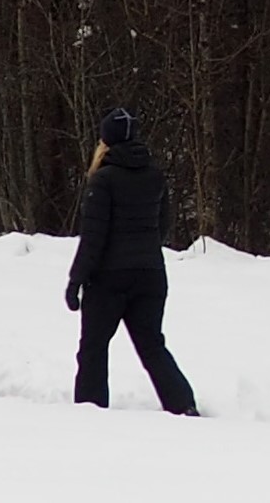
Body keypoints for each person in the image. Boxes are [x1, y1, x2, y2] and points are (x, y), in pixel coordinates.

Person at [65, 108, 198, 416]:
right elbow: (162, 225)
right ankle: (183, 404)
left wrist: (76, 281)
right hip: (151, 275)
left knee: (93, 349)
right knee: (151, 346)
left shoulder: (103, 180)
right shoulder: (155, 175)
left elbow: (93, 237)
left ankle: (90, 410)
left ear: (105, 141)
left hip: (109, 280)